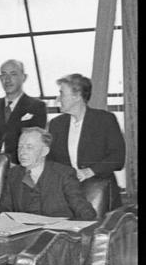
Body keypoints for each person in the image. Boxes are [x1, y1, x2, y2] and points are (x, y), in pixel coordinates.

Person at [47, 73, 125, 211]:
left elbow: (118, 158)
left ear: (77, 96)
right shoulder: (56, 124)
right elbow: (50, 160)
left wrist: (89, 171)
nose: (58, 99)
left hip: (101, 196)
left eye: (62, 93)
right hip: (66, 196)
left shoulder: (105, 120)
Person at [0, 127, 96, 220]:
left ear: (44, 151)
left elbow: (86, 213)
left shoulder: (64, 174)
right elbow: (3, 210)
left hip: (57, 231)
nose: (22, 152)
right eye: (20, 147)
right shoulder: (14, 174)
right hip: (23, 231)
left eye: (29, 147)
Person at [0, 59, 47, 163]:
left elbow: (35, 144)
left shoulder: (37, 107)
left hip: (20, 165)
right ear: (0, 78)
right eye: (4, 75)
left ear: (24, 77)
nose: (7, 80)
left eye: (13, 74)